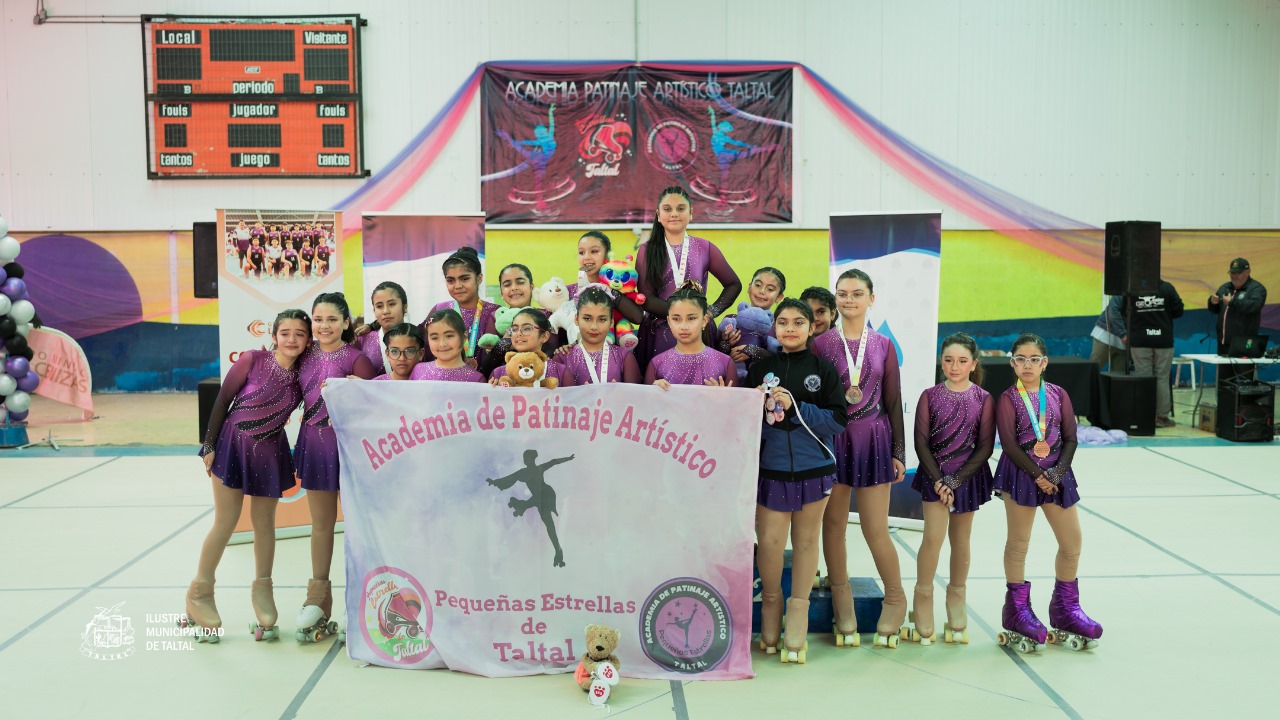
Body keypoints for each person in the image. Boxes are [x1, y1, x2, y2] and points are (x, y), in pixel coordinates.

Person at [186, 309, 311, 643]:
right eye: (286, 332)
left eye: (300, 333)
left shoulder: (302, 376)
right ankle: (200, 591)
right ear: (274, 335)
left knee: (264, 523)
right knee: (225, 521)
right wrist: (209, 443)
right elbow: (223, 400)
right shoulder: (252, 360)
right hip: (232, 444)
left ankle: (263, 589)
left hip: (270, 451)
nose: (292, 339)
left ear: (308, 339)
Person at [747, 299, 848, 664]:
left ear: (811, 327)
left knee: (806, 543)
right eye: (783, 322)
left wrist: (798, 407)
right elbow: (743, 421)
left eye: (798, 322)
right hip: (771, 470)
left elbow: (838, 420)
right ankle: (771, 605)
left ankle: (799, 612)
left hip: (813, 470)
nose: (790, 328)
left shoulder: (824, 369)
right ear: (774, 326)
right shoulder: (761, 368)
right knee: (771, 544)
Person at [811, 269, 906, 648]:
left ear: (871, 298)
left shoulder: (883, 345)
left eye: (857, 293)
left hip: (874, 439)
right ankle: (841, 597)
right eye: (842, 293)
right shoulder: (821, 344)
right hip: (833, 440)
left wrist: (899, 451)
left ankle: (896, 596)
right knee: (832, 526)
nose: (848, 299)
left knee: (874, 527)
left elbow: (895, 401)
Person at [993, 333, 1102, 654]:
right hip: (1021, 475)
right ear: (1013, 363)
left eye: (1034, 359)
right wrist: (1037, 475)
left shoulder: (1058, 395)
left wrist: (1055, 473)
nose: (1028, 365)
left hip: (1058, 476)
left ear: (1045, 363)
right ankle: (1016, 611)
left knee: (1072, 543)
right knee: (1019, 543)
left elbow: (1071, 438)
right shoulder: (1007, 399)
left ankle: (1065, 609)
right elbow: (1009, 444)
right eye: (1021, 359)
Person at [294, 292, 377, 643]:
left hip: (349, 449)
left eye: (331, 319)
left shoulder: (357, 359)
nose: (324, 325)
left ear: (346, 322)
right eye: (318, 319)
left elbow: (374, 406)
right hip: (314, 445)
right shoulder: (303, 356)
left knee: (358, 525)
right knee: (321, 524)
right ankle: (317, 597)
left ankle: (359, 599)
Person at [904, 333, 994, 646]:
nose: (954, 367)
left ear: (973, 364)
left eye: (961, 361)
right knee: (933, 537)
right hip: (935, 474)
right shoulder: (930, 395)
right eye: (948, 360)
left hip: (968, 476)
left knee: (961, 540)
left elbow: (984, 446)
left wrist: (956, 480)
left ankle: (956, 594)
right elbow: (920, 442)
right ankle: (923, 594)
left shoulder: (983, 398)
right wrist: (940, 479)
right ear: (941, 362)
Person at [635, 186, 742, 370]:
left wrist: (711, 311)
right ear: (658, 215)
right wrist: (681, 314)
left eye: (681, 208)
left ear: (691, 213)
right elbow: (646, 299)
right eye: (667, 209)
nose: (674, 214)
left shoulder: (704, 247)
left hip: (698, 331)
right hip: (661, 333)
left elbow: (733, 284)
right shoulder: (647, 250)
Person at [643, 285, 735, 388]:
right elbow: (646, 403)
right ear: (669, 321)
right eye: (676, 319)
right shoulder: (656, 364)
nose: (684, 326)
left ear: (704, 321)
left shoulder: (725, 363)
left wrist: (723, 399)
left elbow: (739, 403)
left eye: (691, 318)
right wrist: (653, 393)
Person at [426, 247, 498, 368]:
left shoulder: (495, 312)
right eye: (450, 281)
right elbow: (426, 351)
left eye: (464, 279)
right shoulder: (439, 310)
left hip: (487, 383)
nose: (458, 286)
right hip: (445, 381)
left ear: (479, 278)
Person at [1127, 279, 1184, 427]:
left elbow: (1123, 311)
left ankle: (1144, 416)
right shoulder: (1167, 288)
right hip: (1163, 340)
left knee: (1143, 379)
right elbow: (1179, 310)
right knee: (1162, 379)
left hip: (1140, 340)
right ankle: (1162, 418)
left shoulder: (1132, 289)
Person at [562, 286, 642, 384]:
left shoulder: (625, 357)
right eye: (587, 318)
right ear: (576, 319)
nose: (594, 327)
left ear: (611, 322)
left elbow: (636, 397)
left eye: (602, 319)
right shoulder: (562, 357)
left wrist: (618, 395)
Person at [719, 266, 785, 376]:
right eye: (758, 285)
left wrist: (756, 352)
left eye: (770, 289)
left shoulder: (779, 327)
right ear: (750, 287)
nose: (762, 291)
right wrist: (726, 342)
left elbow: (784, 360)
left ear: (779, 297)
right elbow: (717, 355)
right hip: (734, 382)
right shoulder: (731, 319)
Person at [488, 308, 574, 388]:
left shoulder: (561, 372)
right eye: (514, 329)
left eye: (526, 328)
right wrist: (493, 391)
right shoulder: (498, 373)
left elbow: (570, 403)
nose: (519, 333)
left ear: (544, 336)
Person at [1209, 257, 1267, 359]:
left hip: (1245, 343)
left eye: (1238, 273)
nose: (1234, 276)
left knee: (1245, 374)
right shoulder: (1224, 287)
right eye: (1232, 273)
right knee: (1224, 375)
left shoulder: (1257, 288)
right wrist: (1212, 303)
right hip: (1223, 343)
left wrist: (1232, 302)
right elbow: (1216, 310)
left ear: (1248, 272)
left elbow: (1254, 306)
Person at [412, 309, 486, 382]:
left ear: (464, 336)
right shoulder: (418, 370)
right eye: (434, 338)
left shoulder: (476, 379)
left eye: (449, 336)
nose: (442, 344)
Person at [354, 281, 410, 375]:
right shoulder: (362, 340)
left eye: (391, 304)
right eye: (379, 306)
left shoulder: (419, 338)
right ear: (374, 310)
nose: (385, 311)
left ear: (405, 307)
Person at [1088, 295, 1127, 371]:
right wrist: (1122, 333)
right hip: (1106, 335)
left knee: (1119, 377)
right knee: (1092, 370)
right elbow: (1113, 311)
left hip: (1124, 341)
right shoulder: (1122, 291)